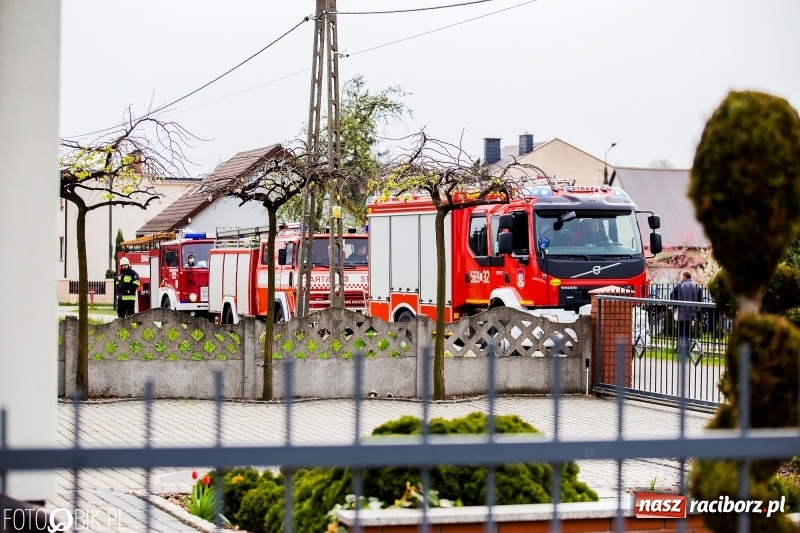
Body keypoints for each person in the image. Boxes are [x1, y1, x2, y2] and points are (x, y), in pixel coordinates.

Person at [670, 271, 702, 358]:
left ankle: (683, 351)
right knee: (687, 332)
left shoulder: (681, 285)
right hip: (692, 313)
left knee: (681, 332)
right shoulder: (696, 286)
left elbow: (672, 295)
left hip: (682, 312)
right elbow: (700, 300)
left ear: (683, 277)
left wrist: (674, 306)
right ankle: (687, 351)